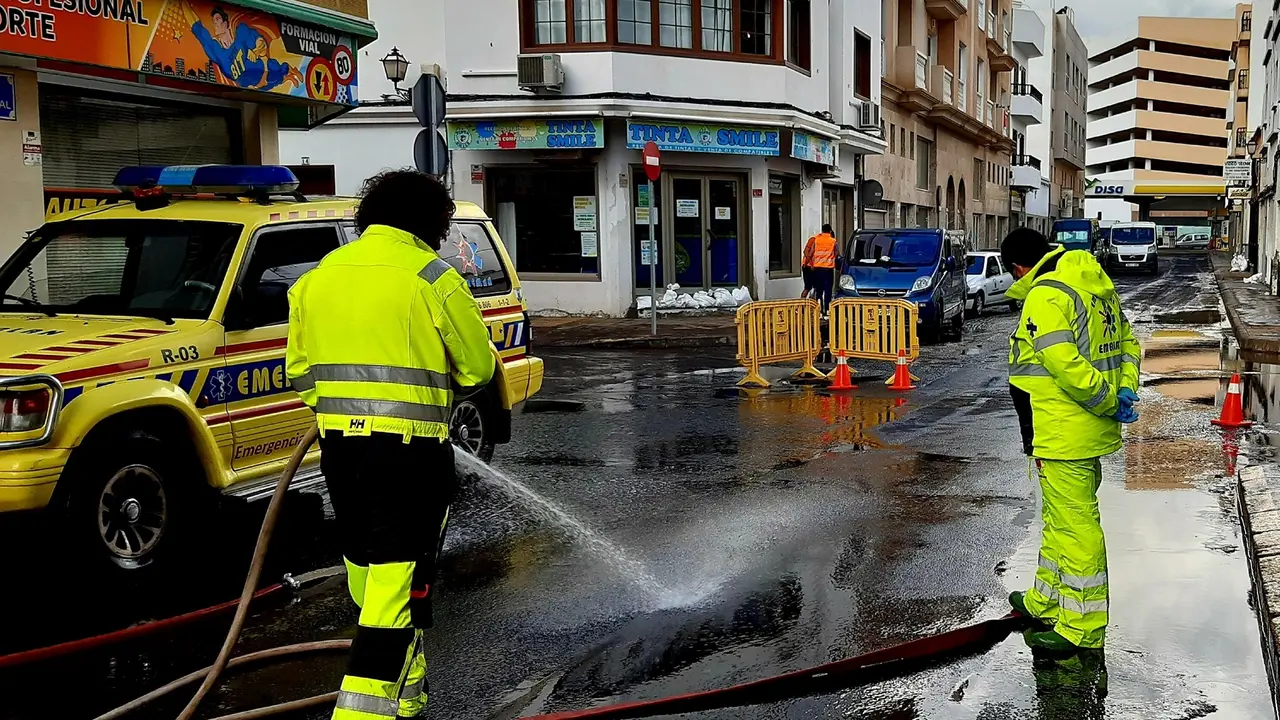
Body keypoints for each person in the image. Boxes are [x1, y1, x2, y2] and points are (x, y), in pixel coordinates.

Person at [286, 170, 495, 719]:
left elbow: (301, 373)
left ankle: (407, 692)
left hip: (341, 453)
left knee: (369, 572)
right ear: (429, 221)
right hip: (410, 456)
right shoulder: (433, 277)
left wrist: (340, 409)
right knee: (396, 587)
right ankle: (361, 713)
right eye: (445, 224)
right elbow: (476, 368)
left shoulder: (317, 278)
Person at [1000, 227, 1141, 655]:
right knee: (1061, 519)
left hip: (1063, 430)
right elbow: (1129, 344)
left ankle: (1082, 627)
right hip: (1080, 430)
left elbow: (1065, 365)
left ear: (1018, 267)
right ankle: (1045, 599)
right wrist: (1123, 392)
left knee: (1076, 526)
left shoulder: (1046, 294)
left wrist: (1103, 400)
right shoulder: (1094, 285)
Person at [803, 223, 838, 310]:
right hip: (828, 269)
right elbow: (837, 253)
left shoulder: (816, 240)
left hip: (817, 269)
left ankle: (819, 310)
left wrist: (805, 263)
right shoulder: (833, 241)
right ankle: (827, 310)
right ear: (830, 231)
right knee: (828, 290)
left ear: (822, 231)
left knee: (819, 290)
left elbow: (810, 253)